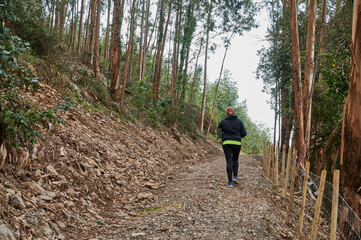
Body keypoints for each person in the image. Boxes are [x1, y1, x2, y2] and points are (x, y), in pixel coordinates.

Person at [217, 106, 247, 187]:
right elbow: (244, 133)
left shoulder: (222, 122)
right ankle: (235, 177)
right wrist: (237, 135)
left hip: (226, 142)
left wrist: (223, 136)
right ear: (234, 112)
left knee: (229, 160)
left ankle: (230, 182)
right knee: (235, 159)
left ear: (226, 113)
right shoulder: (239, 121)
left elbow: (219, 133)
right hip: (237, 142)